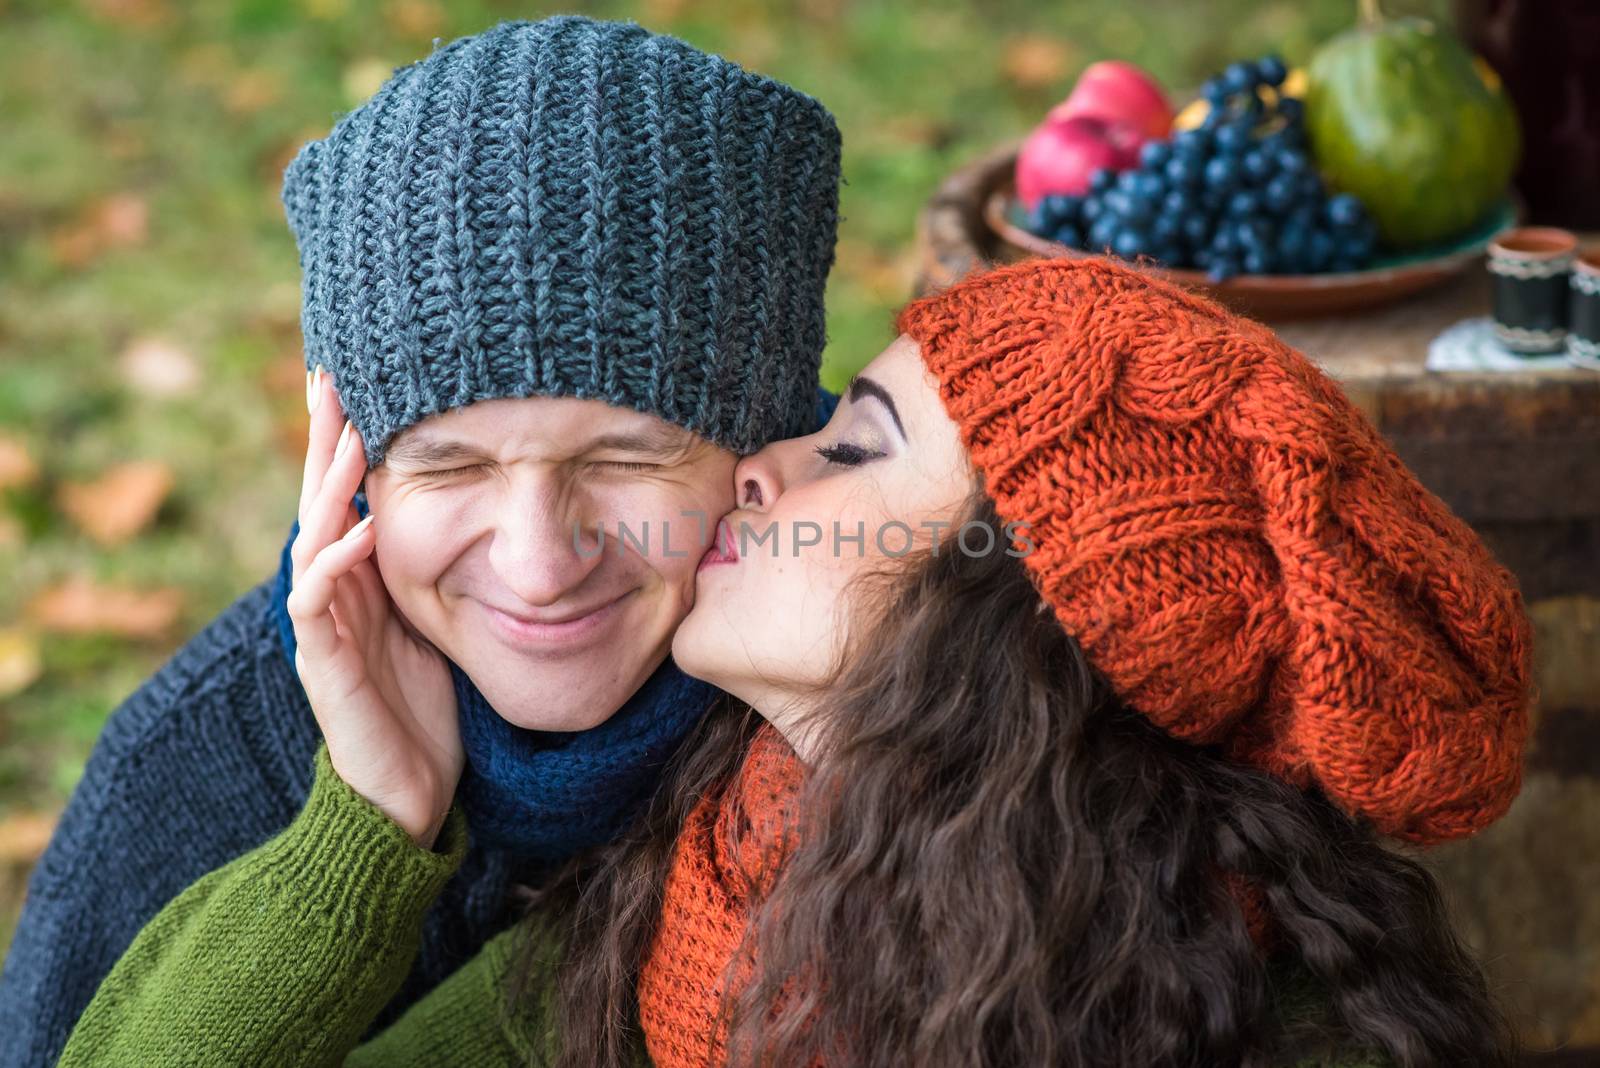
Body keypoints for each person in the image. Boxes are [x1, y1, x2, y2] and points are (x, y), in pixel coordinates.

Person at [59, 255, 1532, 1067]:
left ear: (1022, 615)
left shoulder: (1254, 1020)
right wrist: (366, 834)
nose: (761, 467)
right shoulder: (707, 889)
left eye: (854, 449)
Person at [0, 16, 842, 1067]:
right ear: (352, 477)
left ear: (764, 451)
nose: (538, 566)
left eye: (628, 459)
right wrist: (362, 834)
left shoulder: (879, 709)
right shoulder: (187, 771)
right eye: (449, 466)